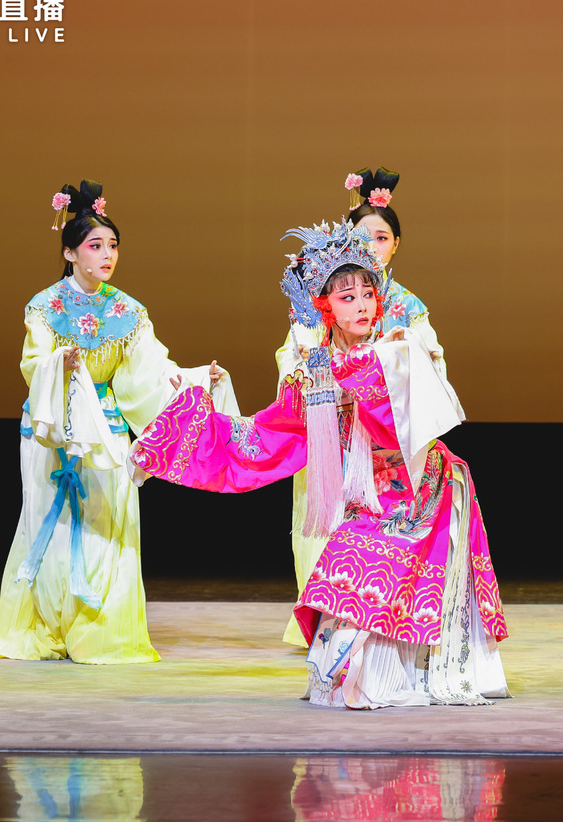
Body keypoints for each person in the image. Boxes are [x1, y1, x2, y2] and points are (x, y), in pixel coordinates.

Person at [131, 219, 508, 708]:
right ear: (325, 306)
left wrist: (394, 359)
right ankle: (370, 679)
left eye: (368, 294)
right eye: (348, 297)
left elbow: (409, 418)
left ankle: (396, 679)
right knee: (343, 575)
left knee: (364, 575)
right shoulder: (315, 375)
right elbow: (261, 439)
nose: (363, 305)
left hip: (422, 488)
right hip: (371, 498)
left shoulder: (393, 350)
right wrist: (179, 426)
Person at [0, 180, 238, 663]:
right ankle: (46, 626)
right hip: (53, 428)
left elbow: (151, 373)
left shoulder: (127, 311)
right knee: (50, 520)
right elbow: (33, 364)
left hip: (106, 429)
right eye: (95, 246)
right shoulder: (44, 306)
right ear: (70, 252)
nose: (107, 255)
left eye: (113, 246)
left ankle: (99, 631)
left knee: (107, 525)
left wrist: (194, 379)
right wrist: (57, 365)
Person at [274, 168, 446, 647]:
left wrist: (405, 356)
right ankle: (325, 624)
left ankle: (382, 626)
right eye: (362, 237)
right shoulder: (322, 301)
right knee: (324, 527)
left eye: (382, 237)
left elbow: (431, 366)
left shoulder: (406, 307)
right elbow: (296, 359)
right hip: (331, 433)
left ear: (397, 244)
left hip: (385, 443)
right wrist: (314, 373)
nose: (372, 246)